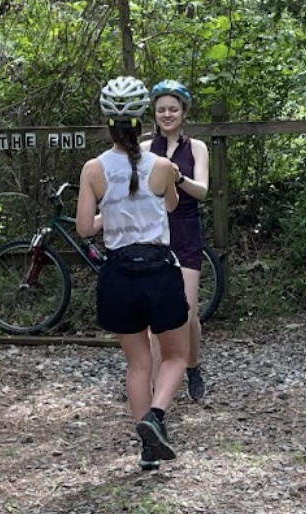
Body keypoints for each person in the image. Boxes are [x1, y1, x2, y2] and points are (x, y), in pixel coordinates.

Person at [77, 76, 191, 470]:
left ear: (108, 123)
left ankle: (147, 449)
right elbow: (172, 207)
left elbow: (83, 228)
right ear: (144, 120)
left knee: (138, 363)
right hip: (158, 270)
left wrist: (110, 214)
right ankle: (156, 418)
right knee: (176, 355)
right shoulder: (162, 166)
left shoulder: (93, 169)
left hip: (119, 274)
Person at [145, 79, 211, 402]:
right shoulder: (144, 150)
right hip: (153, 232)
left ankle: (192, 366)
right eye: (161, 110)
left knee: (187, 311)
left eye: (173, 109)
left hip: (185, 229)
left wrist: (178, 177)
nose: (167, 114)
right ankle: (157, 385)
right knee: (154, 312)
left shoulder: (197, 148)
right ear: (154, 113)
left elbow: (203, 191)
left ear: (184, 112)